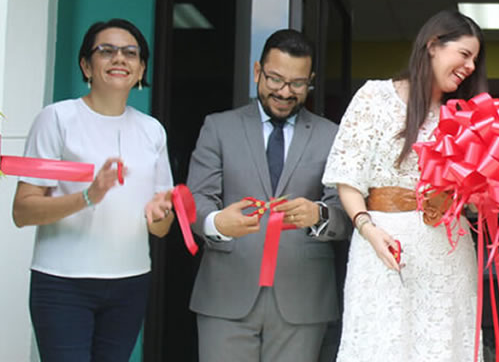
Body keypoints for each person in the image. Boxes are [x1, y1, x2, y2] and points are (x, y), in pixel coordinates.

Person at [322, 10, 487, 361]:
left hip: (448, 250)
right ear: (432, 45)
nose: (471, 66)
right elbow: (348, 178)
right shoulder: (373, 97)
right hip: (383, 244)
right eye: (465, 54)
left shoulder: (462, 115)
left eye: (475, 59)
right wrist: (367, 229)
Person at [12, 18, 174, 362]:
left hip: (130, 283)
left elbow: (161, 228)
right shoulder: (56, 119)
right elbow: (23, 211)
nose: (120, 59)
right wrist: (88, 196)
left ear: (141, 68)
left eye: (131, 53)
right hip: (63, 284)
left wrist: (160, 214)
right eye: (107, 51)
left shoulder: (152, 131)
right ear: (86, 65)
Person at [187, 29, 350, 362]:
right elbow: (196, 200)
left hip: (302, 297)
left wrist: (318, 215)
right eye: (275, 79)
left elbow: (346, 212)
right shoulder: (218, 127)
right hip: (226, 292)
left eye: (298, 84)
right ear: (257, 71)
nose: (285, 92)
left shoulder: (332, 135)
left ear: (311, 81)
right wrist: (218, 222)